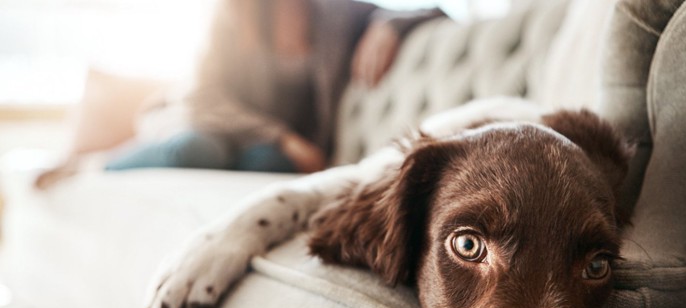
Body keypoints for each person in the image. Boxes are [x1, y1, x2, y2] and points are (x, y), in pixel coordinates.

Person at [36, 0, 443, 187]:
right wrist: (282, 137)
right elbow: (201, 99)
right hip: (207, 126)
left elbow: (434, 11)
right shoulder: (231, 12)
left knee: (270, 165)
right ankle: (94, 168)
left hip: (268, 150)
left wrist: (389, 27)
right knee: (200, 149)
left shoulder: (337, 15)